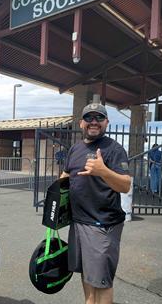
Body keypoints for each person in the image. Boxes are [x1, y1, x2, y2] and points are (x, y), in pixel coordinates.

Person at [60, 102, 131, 304]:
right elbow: (66, 176)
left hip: (102, 225)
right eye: (89, 118)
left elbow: (125, 185)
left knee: (102, 282)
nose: (94, 122)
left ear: (106, 122)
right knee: (86, 275)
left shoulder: (114, 149)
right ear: (81, 123)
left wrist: (103, 171)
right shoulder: (75, 149)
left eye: (99, 118)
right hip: (79, 222)